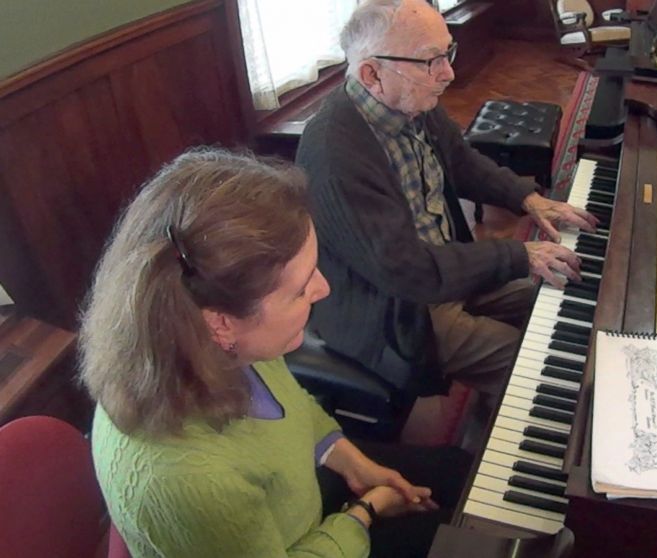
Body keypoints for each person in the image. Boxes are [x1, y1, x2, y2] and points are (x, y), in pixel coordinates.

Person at [79, 148, 469, 558]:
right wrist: (364, 513)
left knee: (458, 471)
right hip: (302, 537)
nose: (324, 289)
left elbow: (293, 407)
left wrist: (352, 461)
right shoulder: (193, 481)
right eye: (302, 288)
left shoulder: (223, 341)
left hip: (296, 494)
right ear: (221, 322)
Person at [296, 0, 599, 397]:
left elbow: (461, 161)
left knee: (569, 295)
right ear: (372, 73)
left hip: (445, 270)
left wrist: (528, 199)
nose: (449, 73)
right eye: (431, 61)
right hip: (395, 310)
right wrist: (520, 255)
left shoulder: (409, 101)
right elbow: (407, 272)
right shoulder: (336, 156)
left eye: (447, 53)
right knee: (541, 367)